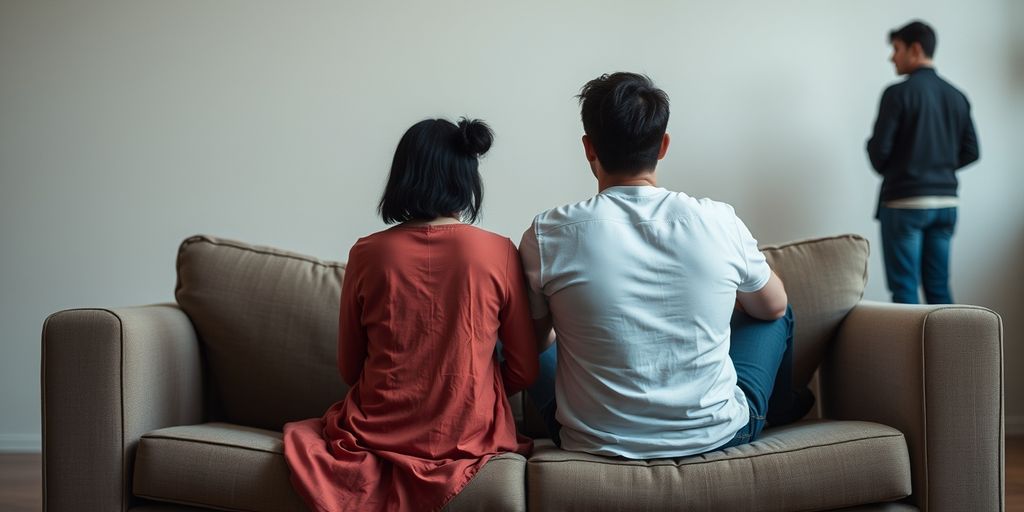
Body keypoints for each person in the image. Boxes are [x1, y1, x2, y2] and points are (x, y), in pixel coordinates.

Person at [520, 72, 813, 459]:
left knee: (519, 336)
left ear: (589, 148)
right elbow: (773, 307)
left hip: (593, 443)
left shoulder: (549, 233)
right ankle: (778, 408)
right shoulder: (718, 220)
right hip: (720, 435)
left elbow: (534, 345)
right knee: (778, 312)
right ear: (664, 146)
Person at [283, 118, 539, 512]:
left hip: (374, 429)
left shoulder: (366, 254)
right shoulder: (499, 252)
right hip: (469, 434)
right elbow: (524, 370)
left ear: (403, 174)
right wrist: (472, 392)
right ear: (467, 177)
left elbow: (350, 368)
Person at [867, 20, 980, 304]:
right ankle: (950, 350)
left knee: (905, 289)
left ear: (914, 49)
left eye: (896, 49)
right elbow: (972, 150)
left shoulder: (897, 94)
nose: (892, 56)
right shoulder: (957, 96)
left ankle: (911, 351)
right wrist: (937, 167)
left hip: (905, 205)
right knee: (939, 288)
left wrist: (907, 165)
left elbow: (879, 154)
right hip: (946, 204)